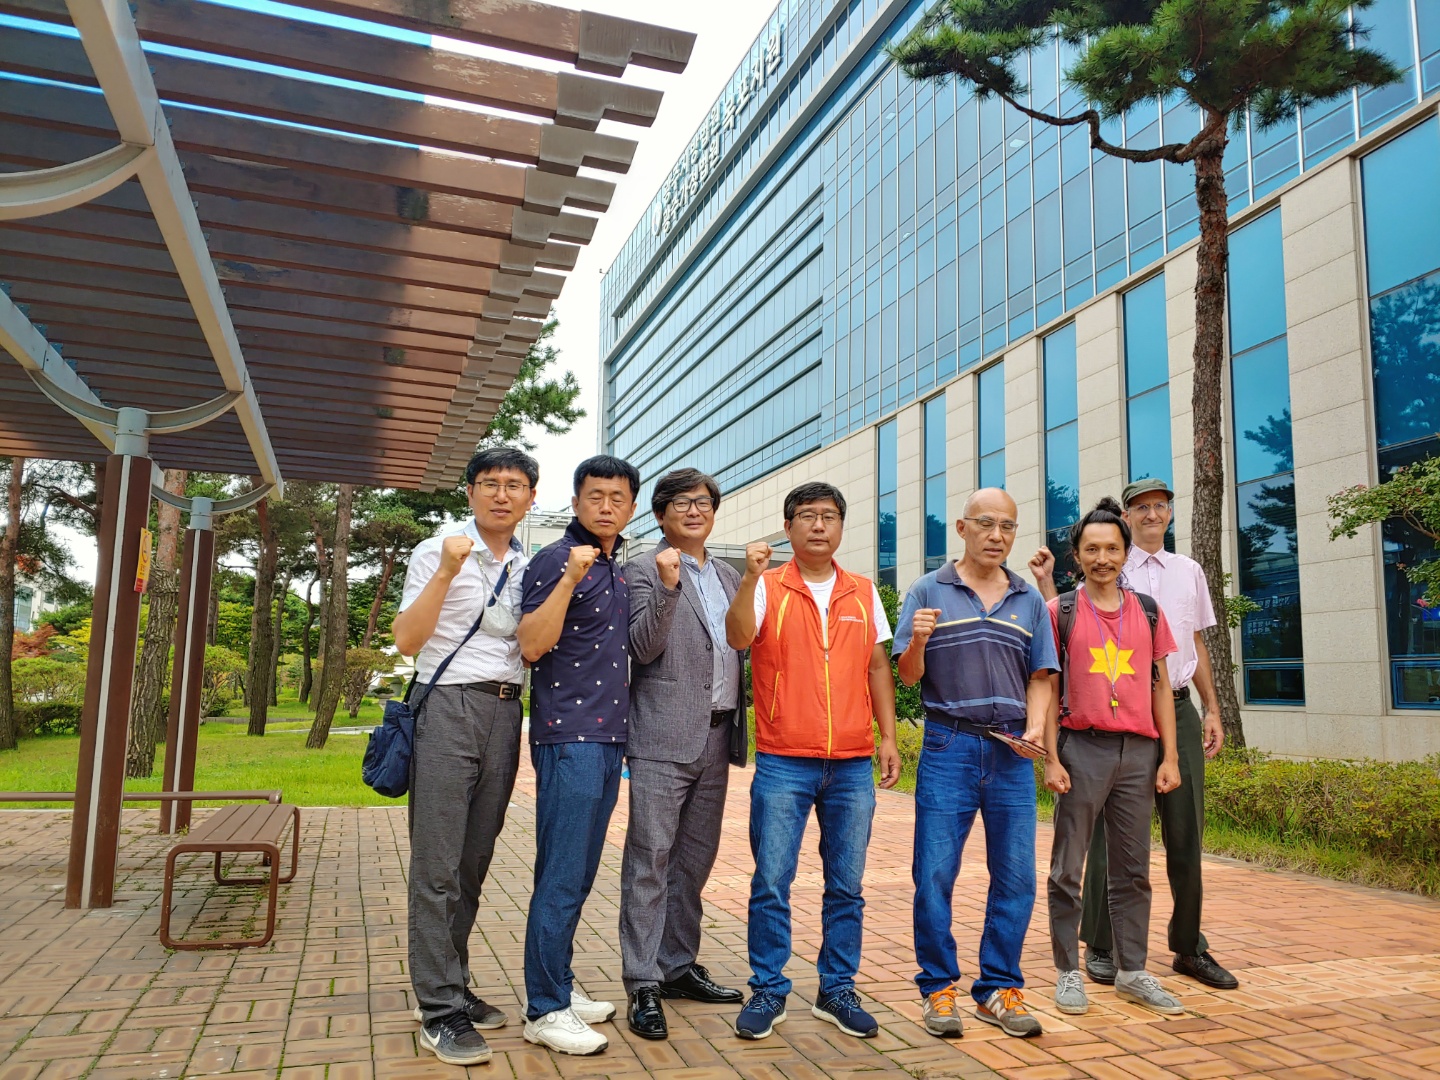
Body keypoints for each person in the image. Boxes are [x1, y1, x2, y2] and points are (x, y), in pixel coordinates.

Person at [1029, 479, 1238, 992]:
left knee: (1177, 838)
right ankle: (1094, 950)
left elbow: (1189, 648)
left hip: (1165, 715)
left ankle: (1180, 949)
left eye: (1160, 506)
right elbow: (1064, 651)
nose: (1151, 514)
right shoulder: (1095, 578)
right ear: (1125, 517)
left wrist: (1210, 711)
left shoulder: (1181, 577)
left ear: (1170, 513)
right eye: (1141, 507)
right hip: (1095, 729)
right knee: (1098, 847)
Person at [724, 482, 900, 1043]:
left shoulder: (862, 591)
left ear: (841, 526)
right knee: (772, 881)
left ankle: (837, 989)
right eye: (806, 516)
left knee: (846, 885)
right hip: (784, 760)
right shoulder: (767, 586)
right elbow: (738, 637)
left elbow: (877, 667)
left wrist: (889, 737)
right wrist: (749, 578)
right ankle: (768, 989)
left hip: (851, 764)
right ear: (789, 527)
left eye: (828, 516)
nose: (818, 525)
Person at [392, 446, 538, 1067]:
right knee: (438, 864)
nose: (502, 495)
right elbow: (407, 640)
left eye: (514, 485)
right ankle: (437, 1009)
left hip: (506, 711)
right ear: (470, 491)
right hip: (447, 705)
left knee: (473, 860)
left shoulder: (530, 564)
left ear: (531, 497)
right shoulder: (437, 551)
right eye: (490, 483)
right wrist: (447, 573)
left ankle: (452, 980)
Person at [893, 488, 1054, 1041]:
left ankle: (998, 988)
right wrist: (918, 641)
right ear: (961, 528)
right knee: (934, 873)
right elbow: (908, 676)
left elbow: (1041, 677)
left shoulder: (1028, 599)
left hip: (1011, 752)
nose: (996, 535)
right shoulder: (927, 590)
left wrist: (1036, 728)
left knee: (1016, 875)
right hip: (948, 747)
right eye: (985, 524)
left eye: (1007, 526)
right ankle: (938, 987)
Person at [1040, 497, 1185, 1017]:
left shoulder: (1147, 611)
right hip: (1082, 748)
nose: (1102, 558)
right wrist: (1051, 757)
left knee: (1133, 869)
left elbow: (1161, 686)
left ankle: (1132, 971)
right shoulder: (1060, 612)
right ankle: (1067, 971)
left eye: (1112, 549)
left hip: (1138, 752)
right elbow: (1047, 689)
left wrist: (1170, 756)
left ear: (1126, 553)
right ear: (1077, 555)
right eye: (1091, 549)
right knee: (1068, 867)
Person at [517, 455, 640, 1056]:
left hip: (609, 739)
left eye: (618, 498)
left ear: (632, 506)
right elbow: (531, 645)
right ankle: (544, 1009)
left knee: (581, 872)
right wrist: (569, 578)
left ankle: (559, 986)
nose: (606, 506)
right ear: (575, 502)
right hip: (570, 738)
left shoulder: (616, 566)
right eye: (595, 496)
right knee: (562, 875)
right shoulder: (556, 559)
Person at [620, 468, 747, 1040]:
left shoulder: (728, 574)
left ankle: (677, 966)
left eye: (703, 503)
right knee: (650, 860)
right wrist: (669, 589)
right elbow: (642, 647)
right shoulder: (642, 569)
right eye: (681, 503)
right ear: (661, 514)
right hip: (661, 737)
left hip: (717, 735)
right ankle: (642, 980)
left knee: (694, 860)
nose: (694, 511)